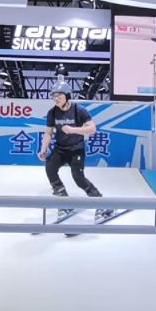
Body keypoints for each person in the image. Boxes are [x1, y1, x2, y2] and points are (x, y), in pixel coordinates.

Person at [39, 81, 112, 218]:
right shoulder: (52, 112)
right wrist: (43, 149)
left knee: (78, 177)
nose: (56, 99)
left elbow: (92, 129)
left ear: (67, 96)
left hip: (76, 149)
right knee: (50, 168)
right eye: (54, 96)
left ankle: (102, 204)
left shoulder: (79, 110)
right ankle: (64, 203)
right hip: (60, 149)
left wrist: (73, 130)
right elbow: (48, 133)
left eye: (59, 96)